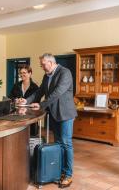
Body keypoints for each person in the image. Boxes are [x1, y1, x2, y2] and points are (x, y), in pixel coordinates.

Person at [18, 53, 77, 188]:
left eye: (43, 64)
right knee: (58, 144)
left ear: (50, 62)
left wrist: (42, 105)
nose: (42, 67)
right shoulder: (46, 76)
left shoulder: (65, 73)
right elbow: (39, 92)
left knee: (66, 144)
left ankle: (68, 175)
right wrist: (26, 101)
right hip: (55, 114)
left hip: (66, 114)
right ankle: (59, 171)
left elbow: (57, 93)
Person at [8, 64, 39, 136]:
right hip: (17, 115)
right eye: (20, 73)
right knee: (18, 135)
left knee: (30, 135)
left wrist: (27, 102)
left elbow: (37, 100)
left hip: (30, 115)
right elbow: (10, 97)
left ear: (30, 73)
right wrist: (16, 100)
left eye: (24, 73)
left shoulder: (35, 87)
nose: (22, 75)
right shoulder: (16, 85)